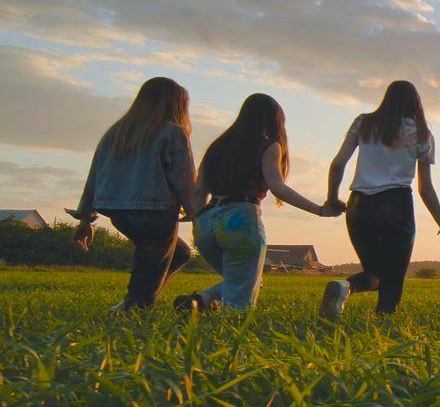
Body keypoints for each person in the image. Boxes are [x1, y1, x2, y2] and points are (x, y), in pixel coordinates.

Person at [171, 95, 342, 311]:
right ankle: (226, 338)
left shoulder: (217, 146)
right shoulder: (268, 145)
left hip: (207, 223)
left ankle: (199, 302)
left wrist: (197, 223)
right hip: (240, 220)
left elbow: (198, 191)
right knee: (239, 304)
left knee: (246, 279)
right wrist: (318, 210)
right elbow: (277, 186)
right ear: (273, 120)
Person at [319, 81, 440, 318]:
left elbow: (338, 163)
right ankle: (383, 330)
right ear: (416, 104)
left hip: (359, 205)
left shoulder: (364, 123)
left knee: (375, 272)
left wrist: (332, 198)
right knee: (392, 278)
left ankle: (345, 287)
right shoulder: (423, 134)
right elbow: (426, 189)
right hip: (397, 205)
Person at [67, 77, 197, 311]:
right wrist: (195, 212)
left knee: (178, 252)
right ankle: (133, 308)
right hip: (156, 209)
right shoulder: (173, 133)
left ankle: (135, 303)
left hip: (119, 211)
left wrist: (86, 218)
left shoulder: (116, 133)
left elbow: (95, 175)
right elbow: (184, 179)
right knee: (151, 263)